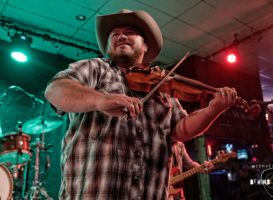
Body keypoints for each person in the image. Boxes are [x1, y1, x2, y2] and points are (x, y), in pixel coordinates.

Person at [45, 9, 237, 200]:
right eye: (115, 34)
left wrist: (213, 110)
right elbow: (55, 90)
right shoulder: (95, 68)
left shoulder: (162, 85)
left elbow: (181, 130)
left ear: (145, 45)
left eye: (129, 32)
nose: (121, 36)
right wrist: (100, 100)